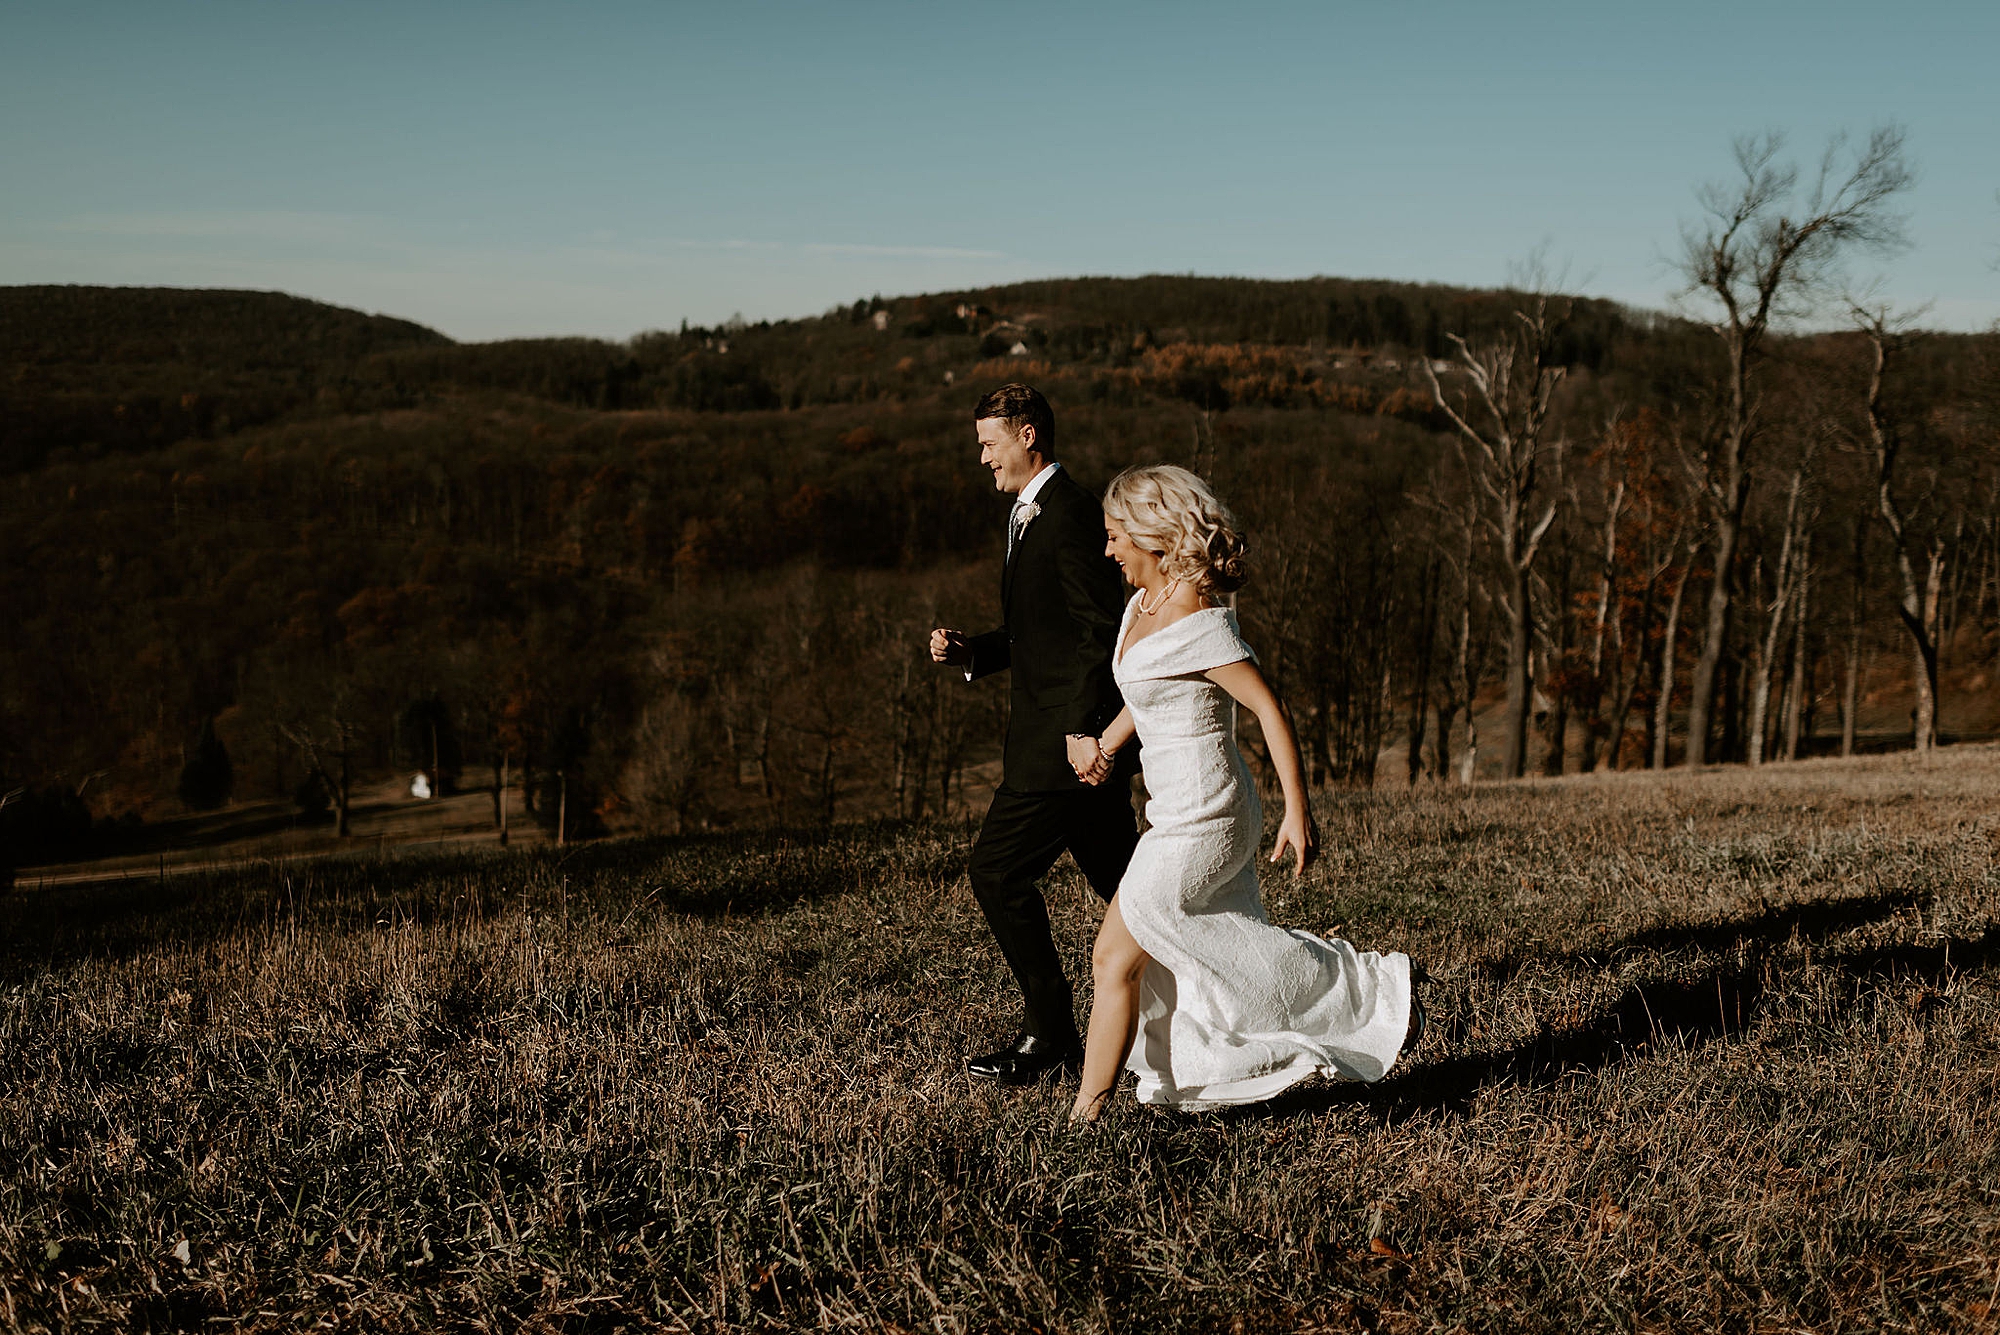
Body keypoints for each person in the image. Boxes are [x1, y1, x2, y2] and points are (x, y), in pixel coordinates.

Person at [1068, 464, 1420, 1121]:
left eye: (1116, 536)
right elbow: (1147, 690)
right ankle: (1184, 1079)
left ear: (1151, 536)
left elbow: (1268, 707)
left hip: (1210, 814)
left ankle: (1084, 1118)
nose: (1108, 549)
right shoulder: (1141, 605)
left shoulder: (1199, 617)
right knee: (1181, 950)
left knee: (1113, 955)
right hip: (1170, 811)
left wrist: (1298, 809)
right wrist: (1108, 746)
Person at [929, 385, 1141, 1085]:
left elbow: (1097, 631)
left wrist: (1087, 734)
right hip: (1071, 749)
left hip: (1065, 753)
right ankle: (1219, 996)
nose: (982, 458)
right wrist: (975, 652)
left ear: (1028, 437)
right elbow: (1039, 634)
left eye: (990, 443)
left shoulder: (1074, 514)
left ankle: (1050, 1034)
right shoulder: (1028, 515)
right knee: (1136, 897)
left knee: (996, 870)